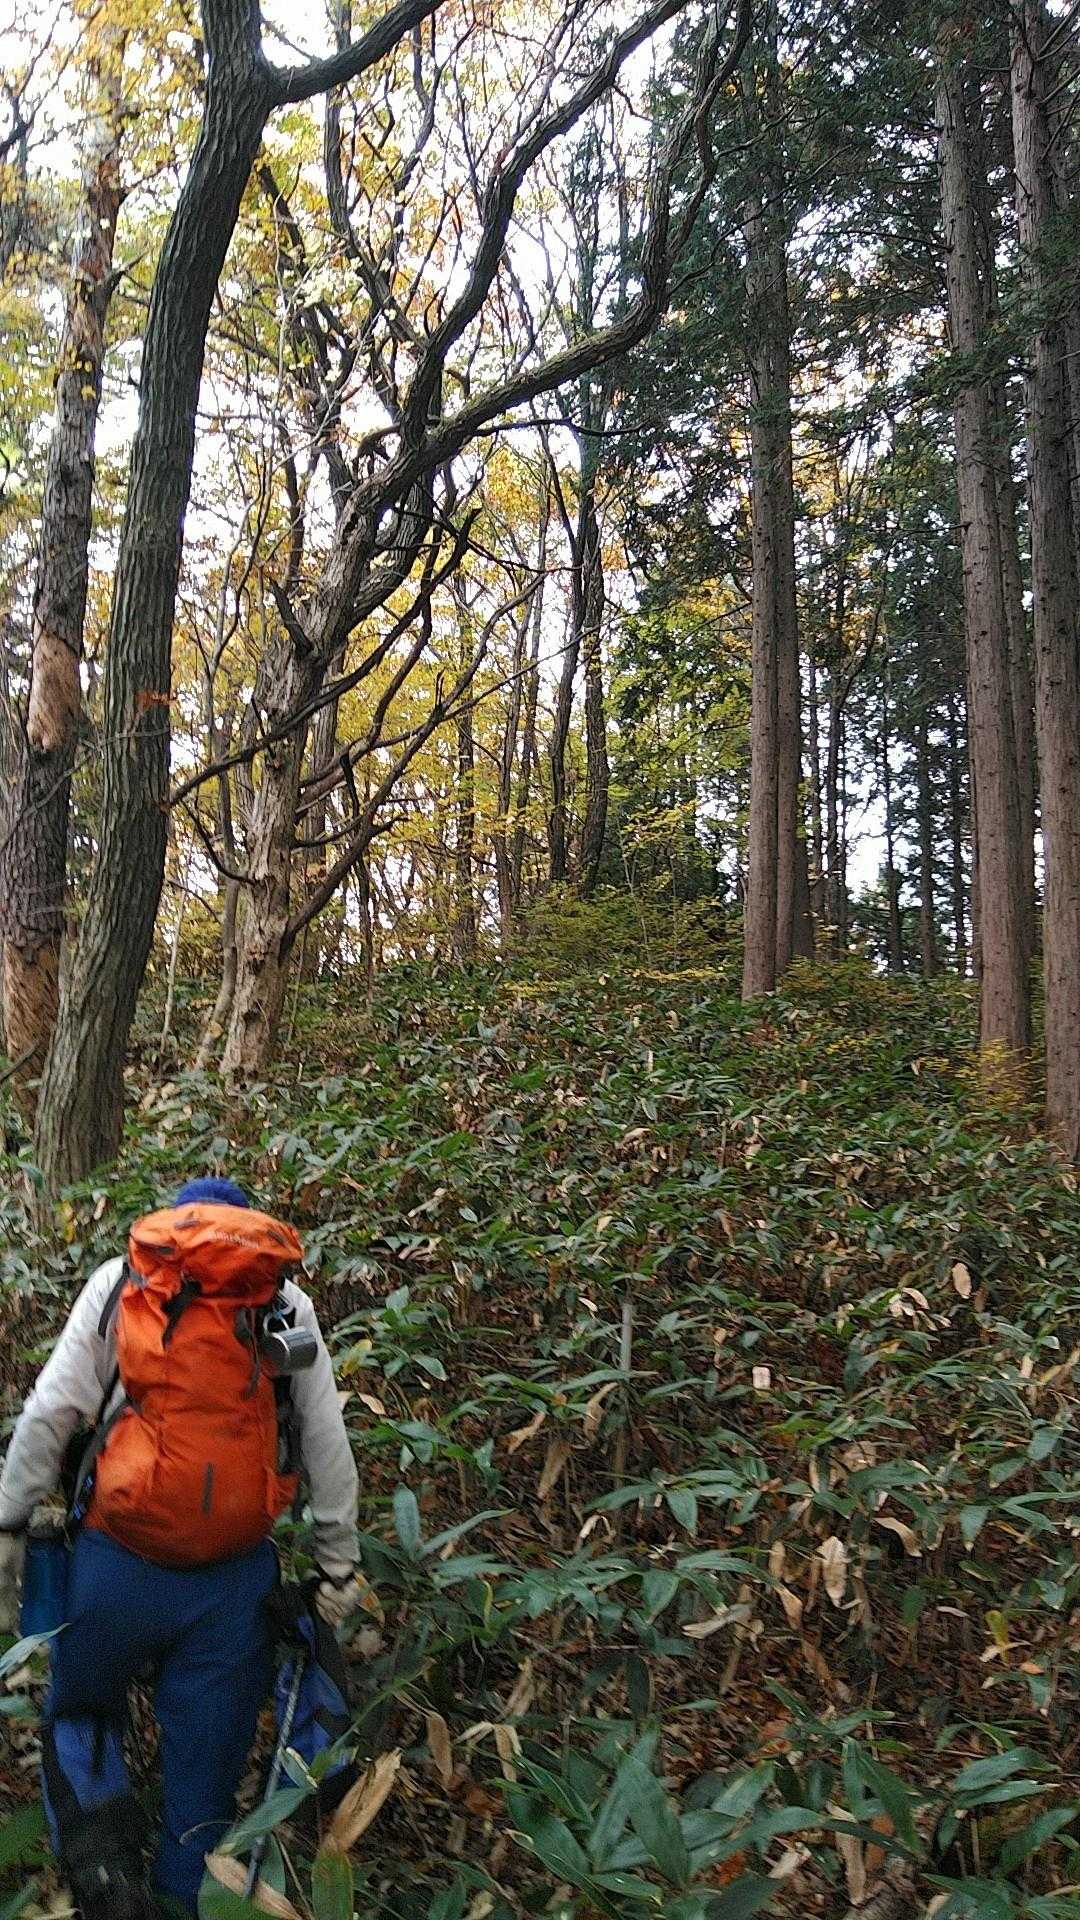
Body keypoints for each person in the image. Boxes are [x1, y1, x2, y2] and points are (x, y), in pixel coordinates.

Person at [0, 1176, 364, 1920]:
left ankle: (105, 1878)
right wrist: (338, 1562)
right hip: (232, 1582)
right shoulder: (283, 1304)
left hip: (115, 1564)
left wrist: (9, 1521)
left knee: (83, 1715)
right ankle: (183, 1895)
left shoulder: (124, 1282)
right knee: (207, 1769)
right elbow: (327, 1442)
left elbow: (50, 1413)